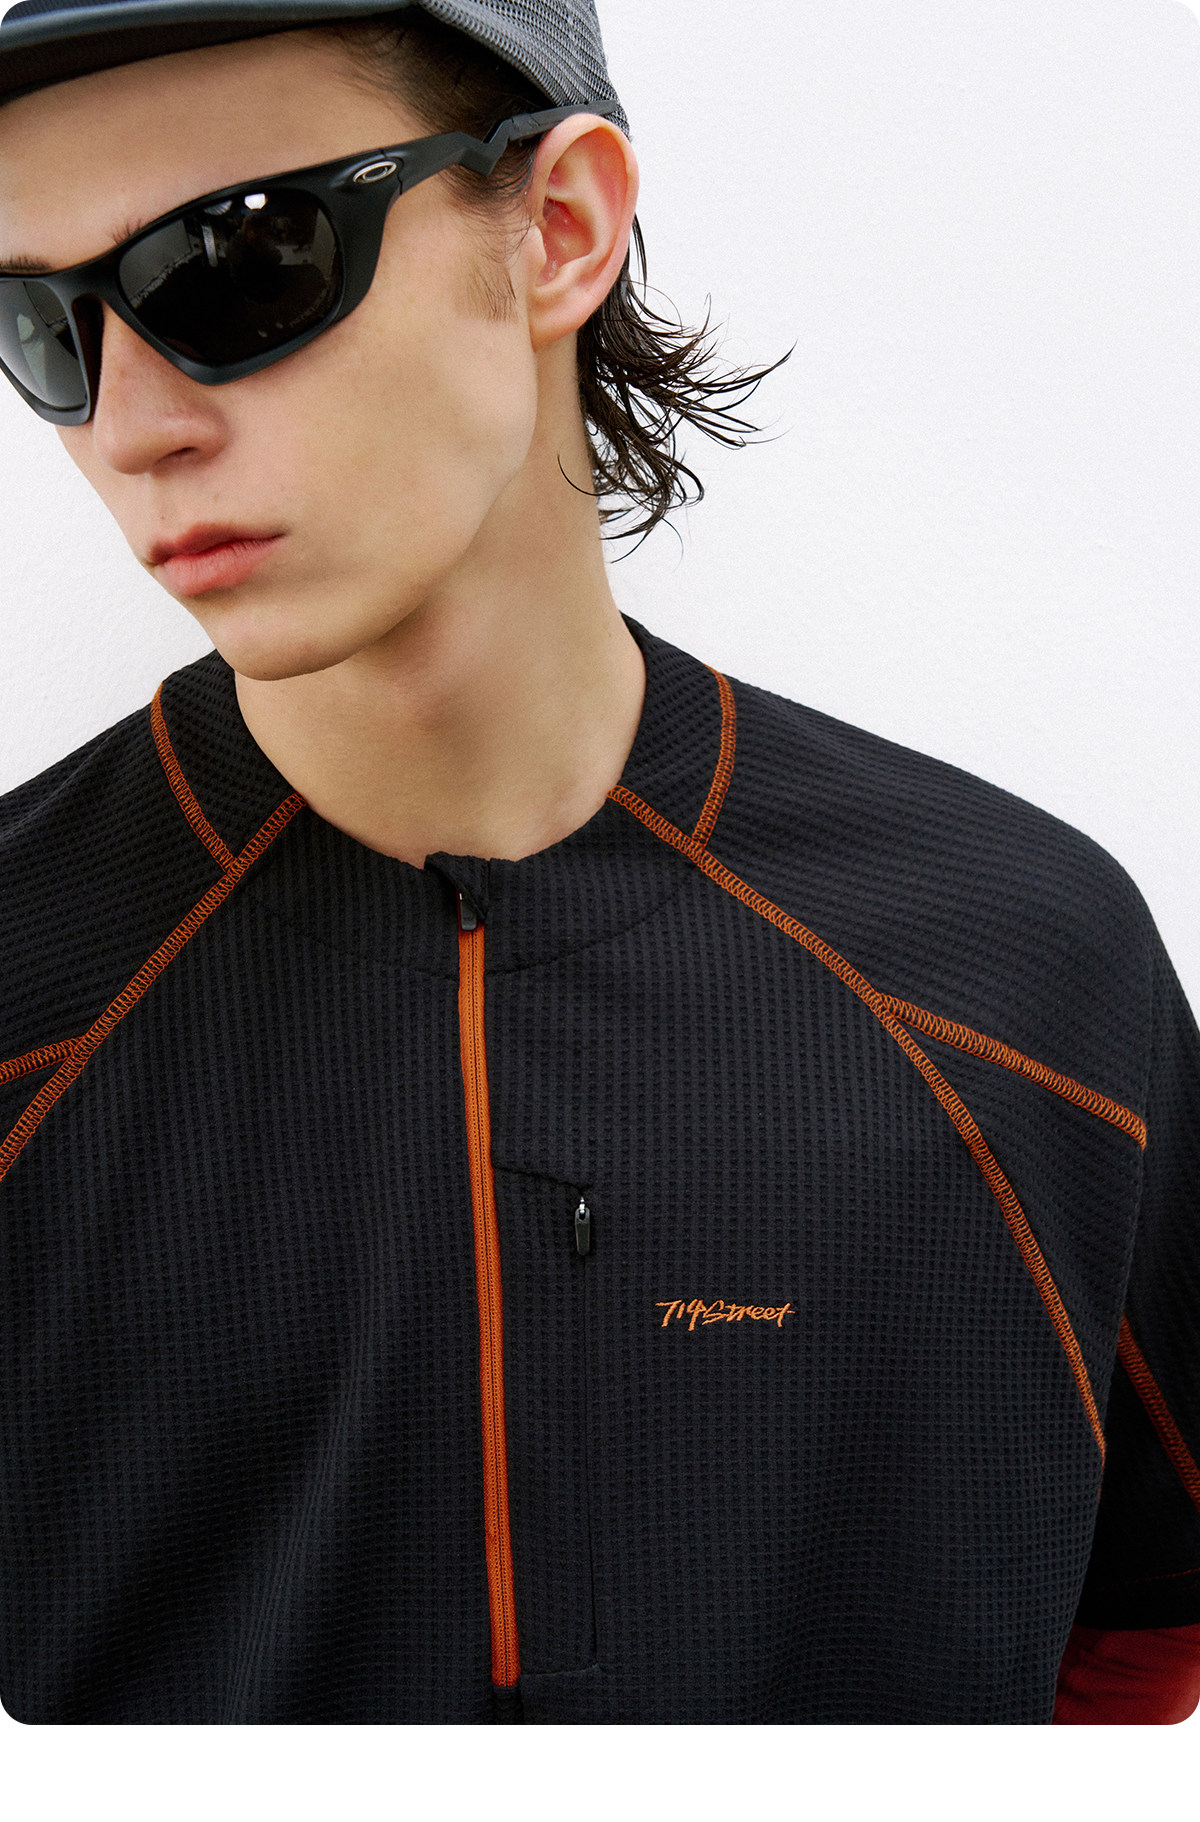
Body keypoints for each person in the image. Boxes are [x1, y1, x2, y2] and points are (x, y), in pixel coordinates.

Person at [0, 0, 1196, 1727]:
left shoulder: (1026, 966)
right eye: (42, 324)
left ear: (559, 228)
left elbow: (1142, 1652)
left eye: (237, 260)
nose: (128, 424)